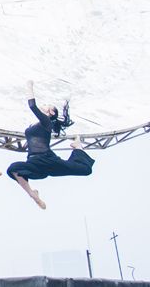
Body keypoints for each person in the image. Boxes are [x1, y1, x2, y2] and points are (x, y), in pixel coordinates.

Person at [6, 80, 95, 210]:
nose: (45, 104)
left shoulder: (46, 122)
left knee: (85, 170)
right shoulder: (33, 125)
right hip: (34, 162)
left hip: (47, 159)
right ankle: (33, 194)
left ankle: (78, 147)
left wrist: (29, 87)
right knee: (13, 169)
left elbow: (32, 106)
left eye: (48, 105)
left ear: (51, 113)